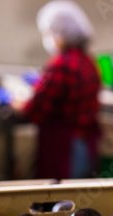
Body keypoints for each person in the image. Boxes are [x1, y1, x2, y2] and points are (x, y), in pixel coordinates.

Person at [17, 0, 101, 180]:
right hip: (85, 145)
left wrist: (19, 104)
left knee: (59, 200)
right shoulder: (89, 62)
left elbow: (36, 107)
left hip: (65, 149)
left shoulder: (62, 64)